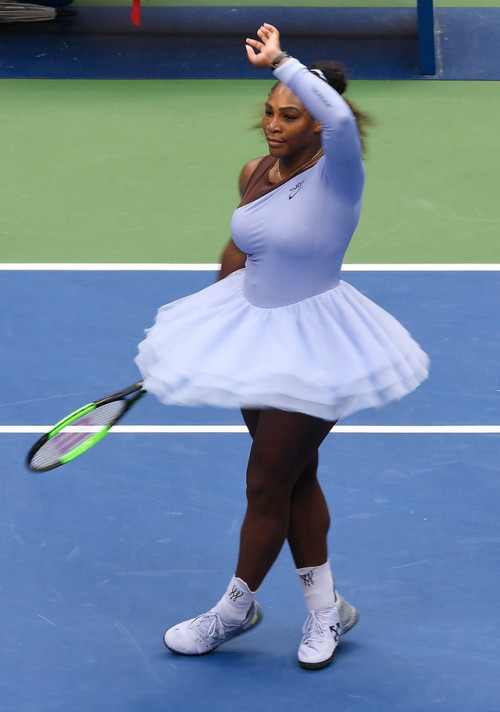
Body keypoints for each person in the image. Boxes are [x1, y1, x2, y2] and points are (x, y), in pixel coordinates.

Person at [135, 24, 429, 670]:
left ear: (318, 123)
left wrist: (284, 63)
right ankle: (328, 610)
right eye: (269, 111)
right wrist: (206, 342)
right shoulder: (255, 173)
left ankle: (234, 610)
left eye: (290, 115)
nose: (273, 125)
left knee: (265, 481)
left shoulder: (338, 176)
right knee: (296, 477)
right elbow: (237, 258)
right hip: (256, 337)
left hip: (318, 343)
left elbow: (339, 121)